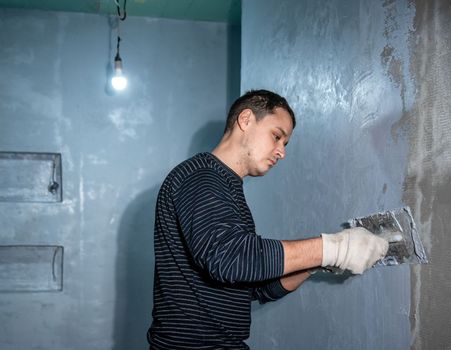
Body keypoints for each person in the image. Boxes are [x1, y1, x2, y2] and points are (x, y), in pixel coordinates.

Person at [147, 90, 388, 349]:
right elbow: (230, 259)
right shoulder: (201, 178)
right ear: (246, 119)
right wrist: (333, 248)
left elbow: (250, 287)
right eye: (277, 136)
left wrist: (311, 266)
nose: (281, 152)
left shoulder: (225, 188)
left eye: (285, 144)